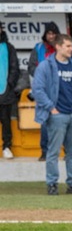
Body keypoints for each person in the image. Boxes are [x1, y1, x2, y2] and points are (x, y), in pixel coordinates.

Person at [31, 34, 72, 196]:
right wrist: (51, 108)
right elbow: (37, 89)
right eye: (68, 46)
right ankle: (52, 184)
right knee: (53, 152)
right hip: (57, 115)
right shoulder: (45, 66)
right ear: (58, 46)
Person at [0, 23, 20, 159]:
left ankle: (7, 146)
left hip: (4, 91)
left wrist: (9, 84)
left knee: (5, 120)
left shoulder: (9, 47)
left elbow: (15, 68)